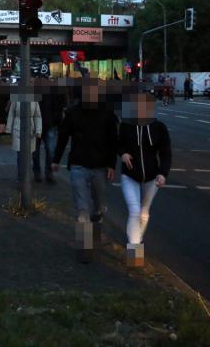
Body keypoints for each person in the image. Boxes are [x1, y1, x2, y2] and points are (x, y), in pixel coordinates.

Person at [52, 80, 118, 263]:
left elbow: (113, 141)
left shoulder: (107, 114)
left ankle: (95, 230)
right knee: (82, 208)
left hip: (100, 166)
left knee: (97, 206)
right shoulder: (73, 114)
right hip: (79, 165)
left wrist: (111, 165)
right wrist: (56, 160)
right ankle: (85, 248)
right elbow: (63, 137)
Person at [118, 92, 171, 267]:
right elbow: (118, 143)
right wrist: (123, 153)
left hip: (152, 176)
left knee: (144, 212)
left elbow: (165, 153)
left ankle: (138, 239)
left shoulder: (159, 128)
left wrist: (163, 173)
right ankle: (134, 253)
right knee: (134, 211)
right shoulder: (126, 126)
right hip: (129, 175)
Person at [6, 96, 42, 183]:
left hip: (30, 130)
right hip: (18, 128)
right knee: (20, 154)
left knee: (28, 155)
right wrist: (8, 129)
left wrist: (38, 130)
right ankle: (21, 176)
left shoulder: (34, 99)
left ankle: (26, 176)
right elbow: (11, 113)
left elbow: (37, 115)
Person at [38, 81, 66, 184]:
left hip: (48, 124)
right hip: (42, 124)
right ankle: (42, 172)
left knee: (49, 150)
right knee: (42, 150)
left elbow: (59, 107)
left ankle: (46, 173)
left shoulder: (53, 92)